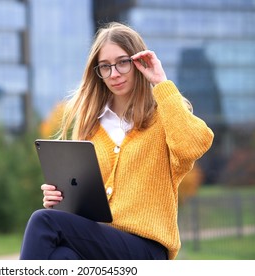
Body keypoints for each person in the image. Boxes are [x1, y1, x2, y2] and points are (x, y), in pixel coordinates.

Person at [19, 22, 214, 260]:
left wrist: (161, 83)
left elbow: (193, 145)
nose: (114, 74)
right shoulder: (90, 127)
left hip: (147, 249)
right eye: (105, 66)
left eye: (123, 62)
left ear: (139, 62)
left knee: (43, 221)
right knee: (62, 257)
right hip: (99, 243)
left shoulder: (165, 116)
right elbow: (84, 201)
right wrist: (60, 200)